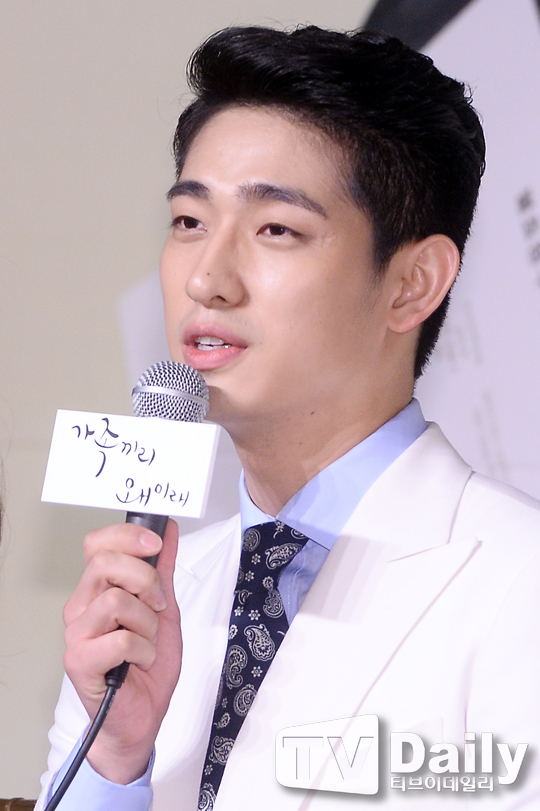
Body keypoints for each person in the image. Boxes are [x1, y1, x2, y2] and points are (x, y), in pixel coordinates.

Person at [37, 25, 540, 810]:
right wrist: (116, 761)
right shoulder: (148, 599)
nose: (206, 277)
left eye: (276, 228)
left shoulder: (517, 582)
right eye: (189, 221)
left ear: (412, 283)